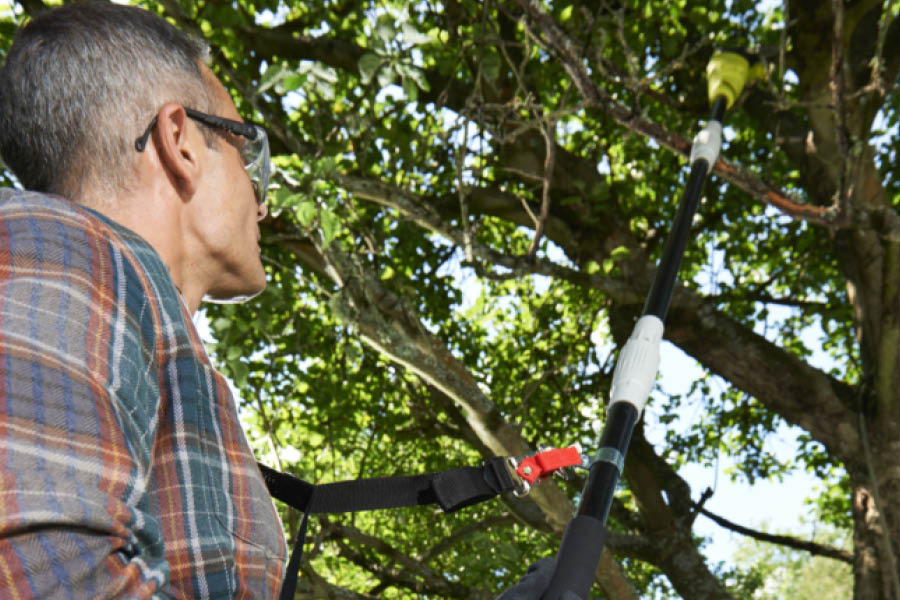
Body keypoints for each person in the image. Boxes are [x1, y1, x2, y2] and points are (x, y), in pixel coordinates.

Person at [0, 3, 556, 598]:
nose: (263, 203)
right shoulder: (54, 243)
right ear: (180, 141)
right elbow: (42, 569)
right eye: (248, 152)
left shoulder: (129, 315)